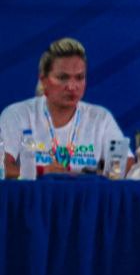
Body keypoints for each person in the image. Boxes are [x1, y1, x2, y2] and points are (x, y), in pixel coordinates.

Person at [1, 37, 132, 178]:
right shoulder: (17, 115)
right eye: (63, 77)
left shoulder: (100, 118)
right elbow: (2, 167)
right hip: (33, 199)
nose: (72, 86)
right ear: (44, 80)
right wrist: (41, 172)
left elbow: (128, 164)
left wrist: (98, 176)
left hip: (86, 198)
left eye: (79, 77)